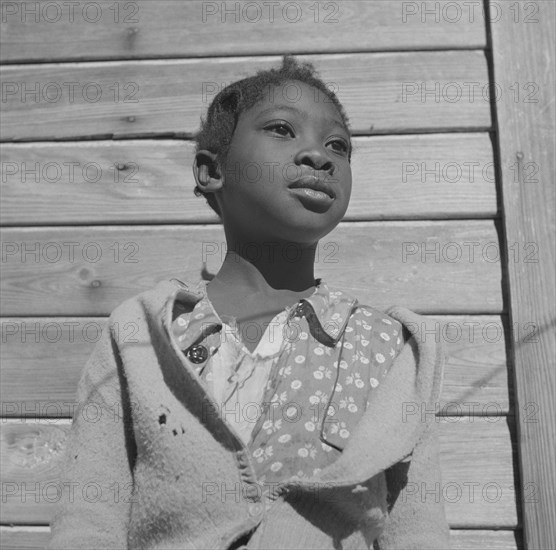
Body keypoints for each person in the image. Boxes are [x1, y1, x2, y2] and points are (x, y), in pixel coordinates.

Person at [48, 56, 450, 549]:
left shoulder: (389, 349)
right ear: (211, 170)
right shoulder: (141, 339)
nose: (318, 157)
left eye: (338, 146)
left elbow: (417, 530)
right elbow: (88, 522)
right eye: (282, 129)